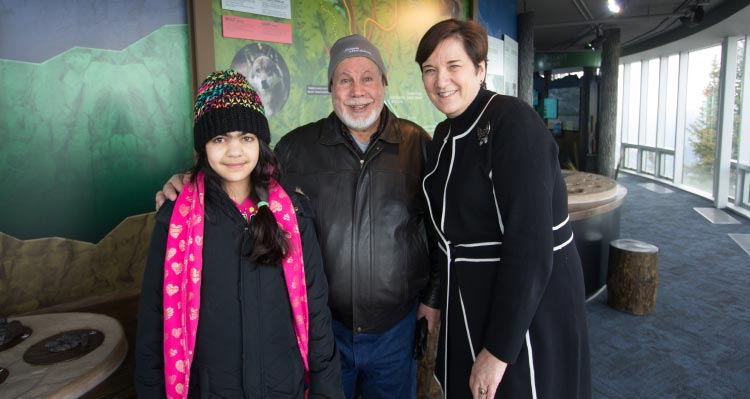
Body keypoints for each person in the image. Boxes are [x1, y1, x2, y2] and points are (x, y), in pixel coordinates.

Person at [156, 35, 441, 399]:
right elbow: (239, 174)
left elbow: (439, 232)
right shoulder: (295, 149)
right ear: (331, 89)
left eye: (368, 77)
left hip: (394, 333)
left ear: (384, 83)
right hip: (321, 333)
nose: (357, 90)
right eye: (344, 79)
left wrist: (431, 298)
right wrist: (186, 181)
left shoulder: (418, 145)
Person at [136, 70, 343, 399]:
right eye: (220, 139)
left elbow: (317, 313)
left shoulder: (294, 213)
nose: (235, 151)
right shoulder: (175, 220)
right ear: (204, 145)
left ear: (260, 142)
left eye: (246, 137)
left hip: (283, 388)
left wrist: (327, 392)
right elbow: (153, 323)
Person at [414, 19, 591, 399]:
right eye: (430, 70)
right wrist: (435, 298)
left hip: (526, 306)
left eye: (453, 66)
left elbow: (530, 249)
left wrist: (498, 350)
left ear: (480, 70)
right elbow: (446, 235)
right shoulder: (446, 134)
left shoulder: (513, 123)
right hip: (469, 299)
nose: (441, 80)